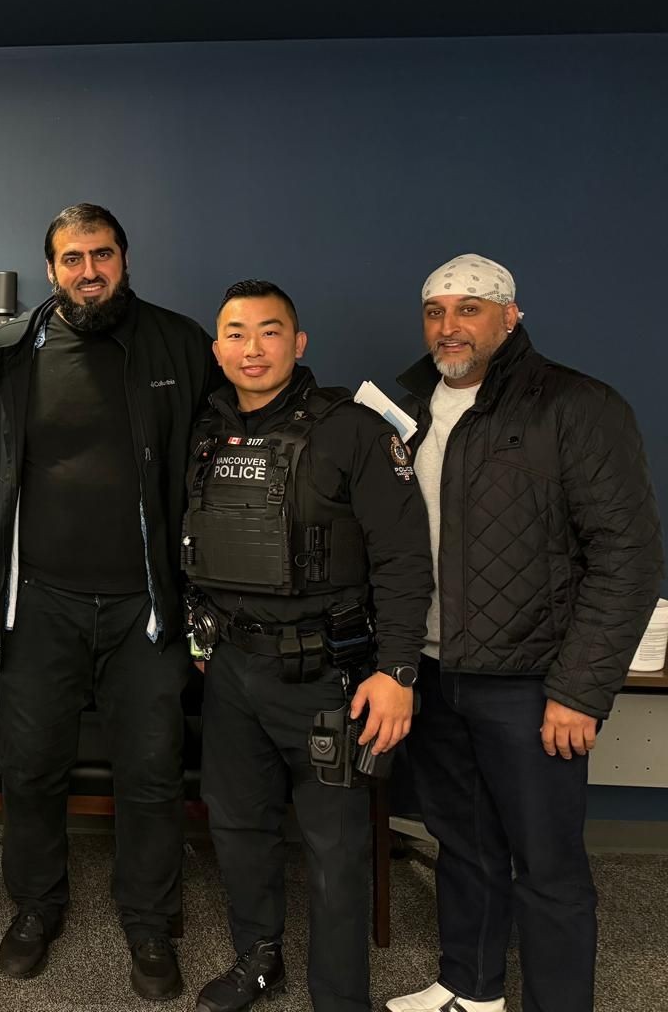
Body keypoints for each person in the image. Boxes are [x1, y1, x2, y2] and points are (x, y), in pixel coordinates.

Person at [0, 203, 218, 999]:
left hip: (148, 607)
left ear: (126, 258)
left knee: (149, 774)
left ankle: (149, 920)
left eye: (101, 254)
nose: (89, 270)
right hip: (39, 604)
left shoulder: (180, 343)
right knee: (33, 770)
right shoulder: (5, 356)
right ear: (51, 270)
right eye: (72, 258)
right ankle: (36, 908)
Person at [385, 255, 662, 1012]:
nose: (450, 325)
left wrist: (580, 689)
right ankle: (470, 991)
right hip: (435, 675)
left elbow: (628, 558)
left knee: (549, 868)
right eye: (436, 310)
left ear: (511, 318)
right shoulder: (405, 409)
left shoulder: (575, 405)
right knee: (464, 847)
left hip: (533, 684)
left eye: (470, 308)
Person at [183, 281, 432, 1012]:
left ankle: (339, 997)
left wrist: (397, 670)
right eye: (235, 333)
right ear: (217, 348)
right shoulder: (203, 432)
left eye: (269, 332)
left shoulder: (353, 429)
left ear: (300, 344)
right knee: (236, 826)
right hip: (230, 671)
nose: (252, 348)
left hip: (327, 676)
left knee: (335, 850)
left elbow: (404, 558)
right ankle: (259, 960)